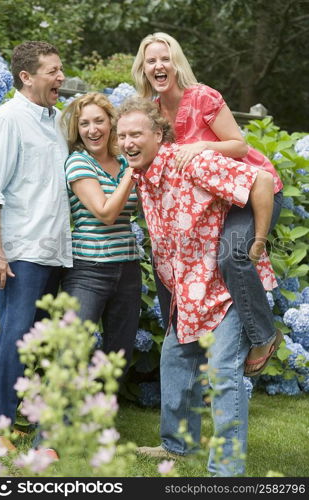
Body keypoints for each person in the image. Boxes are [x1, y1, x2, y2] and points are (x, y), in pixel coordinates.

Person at [115, 96, 280, 476]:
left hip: (225, 290)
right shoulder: (141, 176)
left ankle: (226, 471)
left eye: (135, 133)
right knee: (174, 361)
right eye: (122, 136)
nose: (127, 142)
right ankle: (177, 447)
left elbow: (262, 181)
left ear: (158, 134)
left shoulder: (192, 162)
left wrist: (256, 242)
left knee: (222, 374)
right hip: (188, 293)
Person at [132, 32, 284, 376]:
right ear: (142, 70)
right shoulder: (153, 113)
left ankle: (263, 336)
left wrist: (201, 147)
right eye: (150, 61)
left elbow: (239, 147)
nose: (158, 65)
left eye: (164, 58)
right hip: (210, 204)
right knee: (168, 262)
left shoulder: (201, 97)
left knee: (232, 255)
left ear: (176, 63)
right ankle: (185, 346)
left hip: (252, 192)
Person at [0, 42, 72, 430]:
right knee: (17, 336)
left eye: (61, 69)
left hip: (54, 249)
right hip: (20, 249)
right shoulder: (8, 119)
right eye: (53, 71)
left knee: (26, 338)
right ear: (26, 77)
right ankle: (2, 422)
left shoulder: (57, 120)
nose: (61, 77)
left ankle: (4, 409)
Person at [60, 92, 141, 378]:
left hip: (128, 268)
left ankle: (103, 419)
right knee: (74, 350)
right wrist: (134, 171)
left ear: (111, 124)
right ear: (78, 129)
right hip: (89, 270)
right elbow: (105, 213)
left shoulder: (123, 164)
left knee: (118, 354)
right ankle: (59, 421)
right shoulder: (79, 162)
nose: (92, 129)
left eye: (99, 121)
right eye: (84, 124)